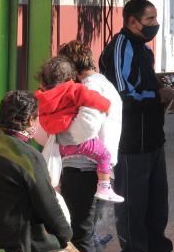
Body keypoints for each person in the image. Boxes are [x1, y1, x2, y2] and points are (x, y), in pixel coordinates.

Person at [100, 0, 174, 252]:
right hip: (129, 143)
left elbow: (142, 83)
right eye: (149, 20)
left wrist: (164, 87)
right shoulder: (120, 47)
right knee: (131, 206)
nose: (155, 24)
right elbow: (122, 94)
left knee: (156, 203)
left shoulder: (142, 48)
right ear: (132, 22)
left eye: (155, 18)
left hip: (153, 138)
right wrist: (157, 95)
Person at [0, 90, 83, 252]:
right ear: (31, 120)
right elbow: (47, 204)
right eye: (37, 118)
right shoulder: (29, 156)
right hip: (17, 239)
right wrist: (66, 234)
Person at [56, 40, 124, 252]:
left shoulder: (90, 87)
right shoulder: (100, 83)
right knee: (88, 235)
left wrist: (59, 129)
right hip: (93, 168)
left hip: (84, 167)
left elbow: (86, 127)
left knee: (81, 236)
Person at [35, 56, 124, 203]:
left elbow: (40, 119)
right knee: (104, 156)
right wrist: (106, 106)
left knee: (53, 168)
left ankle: (55, 192)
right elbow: (92, 98)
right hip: (81, 144)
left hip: (60, 145)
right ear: (70, 77)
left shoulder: (40, 97)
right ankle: (104, 187)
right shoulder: (73, 89)